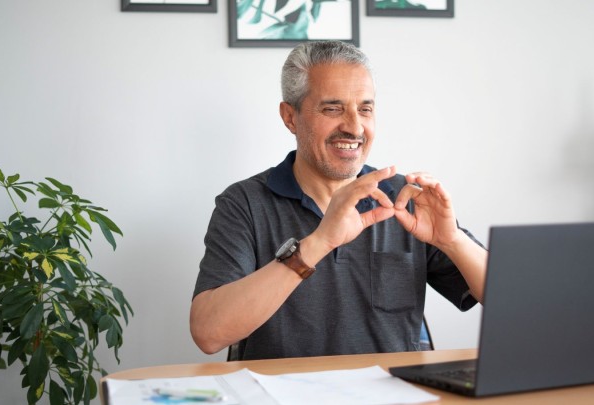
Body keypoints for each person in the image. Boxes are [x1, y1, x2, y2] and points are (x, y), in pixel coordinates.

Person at [190, 40, 488, 360]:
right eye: (332, 109)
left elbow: (515, 302)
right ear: (290, 117)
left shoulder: (406, 199)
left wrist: (452, 240)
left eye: (365, 109)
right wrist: (319, 242)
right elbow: (209, 334)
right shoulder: (243, 204)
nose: (354, 126)